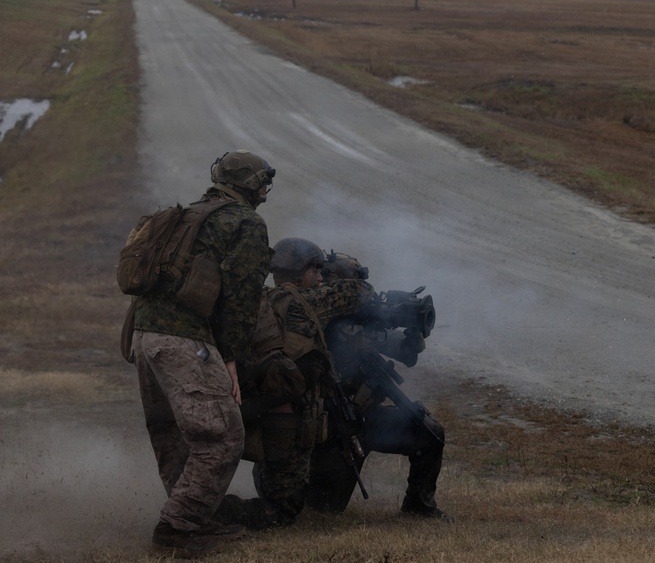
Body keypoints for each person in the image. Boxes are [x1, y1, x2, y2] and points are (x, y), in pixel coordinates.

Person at [131, 149, 275, 556]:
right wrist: (231, 357)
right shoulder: (246, 222)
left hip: (145, 337)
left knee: (173, 435)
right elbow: (243, 299)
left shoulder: (191, 214)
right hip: (184, 342)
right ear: (251, 185)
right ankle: (178, 527)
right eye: (263, 181)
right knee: (223, 437)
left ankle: (193, 513)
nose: (266, 189)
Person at [215, 238, 377, 531]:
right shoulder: (311, 301)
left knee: (275, 484)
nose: (319, 277)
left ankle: (208, 504)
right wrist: (341, 274)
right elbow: (361, 293)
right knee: (282, 511)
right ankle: (216, 512)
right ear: (301, 272)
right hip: (290, 421)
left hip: (257, 412)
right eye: (315, 270)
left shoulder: (257, 299)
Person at [306, 251, 450, 520]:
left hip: (364, 419)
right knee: (324, 506)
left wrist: (412, 332)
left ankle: (419, 506)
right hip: (330, 426)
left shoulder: (361, 326)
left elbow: (406, 354)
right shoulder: (313, 321)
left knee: (429, 433)